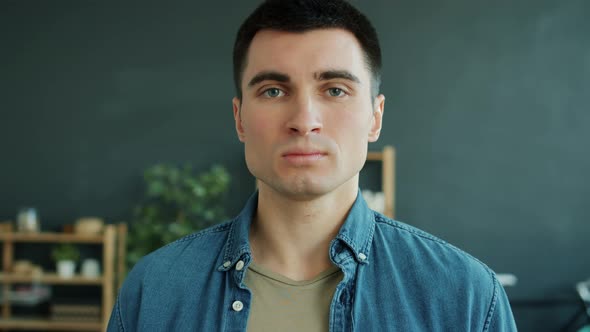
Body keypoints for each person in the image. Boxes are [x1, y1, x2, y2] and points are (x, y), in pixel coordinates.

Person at [108, 0, 517, 331]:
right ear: (239, 119)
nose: (304, 120)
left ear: (375, 117)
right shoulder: (155, 289)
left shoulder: (464, 296)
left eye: (335, 89)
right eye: (273, 90)